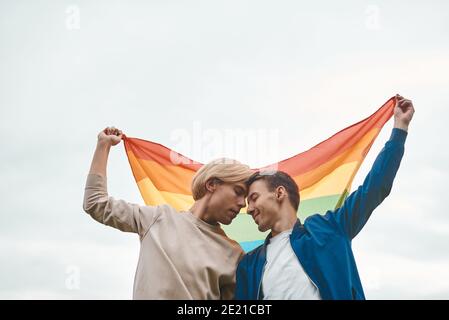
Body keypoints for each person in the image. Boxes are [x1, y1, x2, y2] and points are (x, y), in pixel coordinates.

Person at [235, 94, 415, 300]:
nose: (248, 209)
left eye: (254, 198)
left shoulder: (330, 229)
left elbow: (374, 188)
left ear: (279, 193)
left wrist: (400, 129)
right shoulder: (249, 265)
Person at [83, 127, 253, 299]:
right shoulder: (158, 218)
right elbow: (96, 204)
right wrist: (103, 145)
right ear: (212, 184)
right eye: (238, 191)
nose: (242, 204)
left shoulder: (234, 254)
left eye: (246, 197)